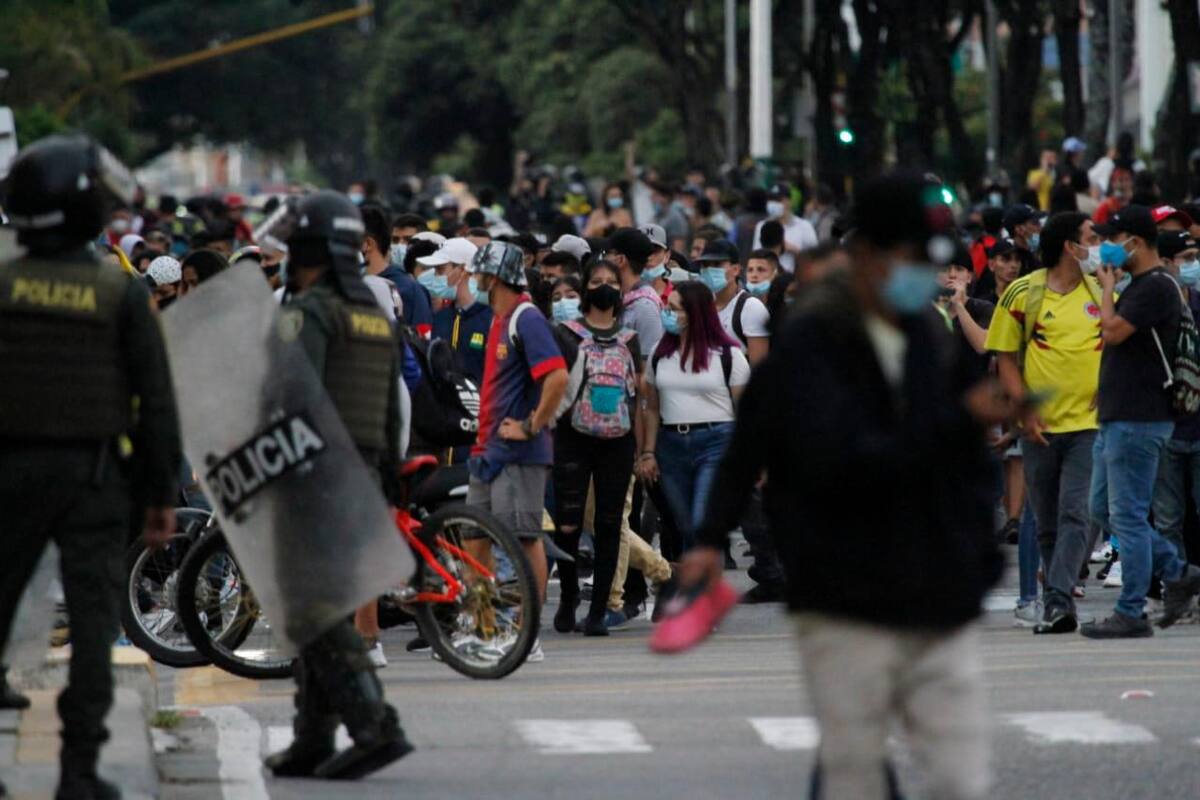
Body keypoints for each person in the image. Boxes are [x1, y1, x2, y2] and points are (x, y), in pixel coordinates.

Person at [682, 171, 1003, 800]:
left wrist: (977, 559)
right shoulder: (810, 345)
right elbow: (790, 449)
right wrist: (708, 538)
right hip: (843, 594)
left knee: (959, 779)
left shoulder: (930, 341)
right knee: (852, 772)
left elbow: (973, 461)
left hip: (939, 594)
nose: (922, 275)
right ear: (868, 257)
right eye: (910, 259)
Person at [0, 134, 182, 800]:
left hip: (9, 470)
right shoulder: (118, 290)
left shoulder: (2, 278)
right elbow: (155, 401)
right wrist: (160, 493)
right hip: (93, 477)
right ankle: (78, 772)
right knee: (93, 620)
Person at [265, 190, 413, 778]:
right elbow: (394, 408)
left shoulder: (311, 313)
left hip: (315, 475)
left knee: (313, 609)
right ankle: (312, 736)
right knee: (319, 604)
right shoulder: (375, 315)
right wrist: (391, 480)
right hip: (369, 470)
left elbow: (293, 397)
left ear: (312, 254)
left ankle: (375, 726)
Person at [1082, 206, 1200, 638]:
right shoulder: (1143, 287)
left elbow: (1111, 332)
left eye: (1112, 239)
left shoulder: (1156, 288)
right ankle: (1178, 570)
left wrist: (1108, 288)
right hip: (1119, 415)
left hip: (1139, 417)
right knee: (1102, 508)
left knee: (1128, 516)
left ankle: (1131, 609)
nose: (1105, 248)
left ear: (1135, 240)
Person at [985, 211, 1104, 634]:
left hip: (1089, 425)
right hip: (1039, 428)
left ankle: (1056, 598)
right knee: (1048, 521)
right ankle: (1059, 605)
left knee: (1077, 512)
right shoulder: (1023, 293)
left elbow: (1119, 340)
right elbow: (1005, 357)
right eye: (1091, 236)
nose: (1098, 243)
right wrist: (1024, 411)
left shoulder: (1101, 289)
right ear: (1070, 246)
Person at [468, 241, 570, 663]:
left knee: (523, 538)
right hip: (489, 450)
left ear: (493, 278)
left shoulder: (525, 318)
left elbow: (557, 377)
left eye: (478, 274)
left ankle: (526, 634)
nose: (473, 281)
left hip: (518, 454)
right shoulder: (499, 320)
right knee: (474, 539)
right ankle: (484, 628)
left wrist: (531, 424)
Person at [550, 259, 641, 636]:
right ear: (585, 289)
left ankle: (599, 609)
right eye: (597, 282)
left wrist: (642, 447)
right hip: (572, 436)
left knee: (608, 524)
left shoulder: (630, 338)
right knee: (568, 524)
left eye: (611, 282)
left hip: (618, 440)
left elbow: (638, 394)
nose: (604, 288)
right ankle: (569, 596)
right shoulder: (565, 333)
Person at [637, 282, 750, 548]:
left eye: (674, 308)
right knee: (684, 525)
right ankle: (700, 584)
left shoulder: (728, 355)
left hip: (716, 443)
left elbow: (745, 410)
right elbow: (652, 407)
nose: (666, 313)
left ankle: (705, 587)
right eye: (667, 306)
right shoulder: (659, 353)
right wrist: (648, 452)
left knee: (702, 523)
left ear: (695, 314)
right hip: (671, 446)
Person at [1150, 230, 1200, 576]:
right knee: (1167, 517)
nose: (1193, 265)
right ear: (1166, 263)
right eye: (1187, 258)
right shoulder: (1148, 309)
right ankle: (1178, 585)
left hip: (1198, 428)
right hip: (1164, 427)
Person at [696, 238, 771, 367]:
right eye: (705, 265)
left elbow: (759, 370)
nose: (709, 270)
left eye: (717, 264)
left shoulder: (750, 308)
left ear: (736, 269)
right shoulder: (699, 306)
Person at [363, 205, 433, 336]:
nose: (400, 246)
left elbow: (422, 342)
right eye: (395, 240)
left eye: (408, 240)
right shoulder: (352, 285)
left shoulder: (411, 289)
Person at [430, 241, 493, 387]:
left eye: (440, 269)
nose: (435, 276)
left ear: (463, 270)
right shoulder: (441, 317)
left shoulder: (490, 319)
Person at [752, 183, 818, 273]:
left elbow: (815, 259)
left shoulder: (804, 227)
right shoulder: (762, 226)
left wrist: (792, 249)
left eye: (778, 200)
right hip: (767, 281)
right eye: (771, 200)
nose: (773, 204)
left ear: (789, 202)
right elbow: (755, 257)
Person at [1002, 203, 1042, 276]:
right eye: (1035, 223)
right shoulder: (1009, 259)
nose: (1039, 228)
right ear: (1020, 229)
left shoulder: (1034, 256)